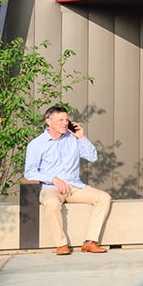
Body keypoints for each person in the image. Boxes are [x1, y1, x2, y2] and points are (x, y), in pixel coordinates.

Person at [24, 105, 111, 255]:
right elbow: (29, 172)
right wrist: (53, 179)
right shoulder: (36, 144)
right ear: (48, 122)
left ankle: (90, 242)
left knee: (104, 197)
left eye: (66, 119)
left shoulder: (74, 139)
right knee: (51, 202)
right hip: (50, 188)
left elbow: (92, 157)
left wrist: (82, 137)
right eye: (60, 120)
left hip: (74, 186)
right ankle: (61, 244)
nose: (65, 123)